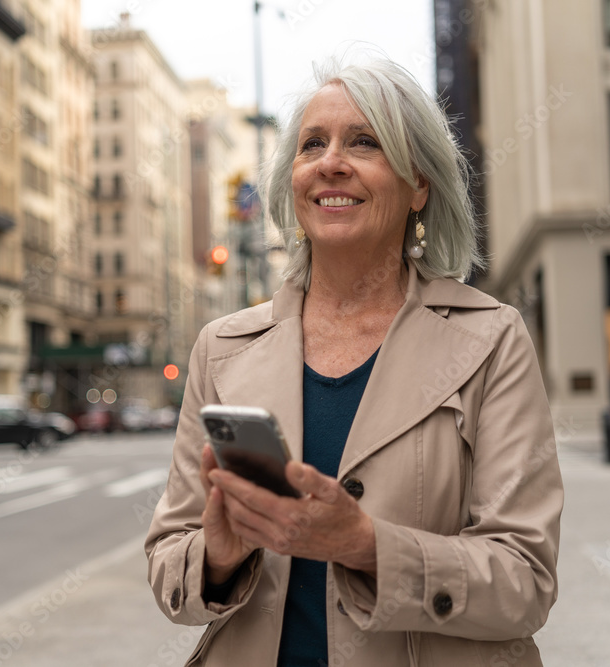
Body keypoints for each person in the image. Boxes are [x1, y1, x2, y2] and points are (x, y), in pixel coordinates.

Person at [145, 55, 563, 666]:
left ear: (419, 184)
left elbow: (526, 581)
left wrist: (368, 546)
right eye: (313, 144)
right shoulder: (223, 347)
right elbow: (168, 565)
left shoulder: (491, 340)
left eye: (363, 142)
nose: (330, 162)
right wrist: (218, 555)